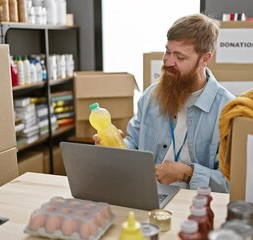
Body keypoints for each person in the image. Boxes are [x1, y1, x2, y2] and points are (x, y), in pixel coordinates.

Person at [94, 13, 234, 193]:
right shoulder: (151, 96)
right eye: (167, 52)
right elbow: (134, 144)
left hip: (196, 203)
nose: (168, 62)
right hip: (148, 193)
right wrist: (115, 147)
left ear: (204, 60)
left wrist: (186, 173)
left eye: (180, 57)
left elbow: (232, 183)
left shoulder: (227, 110)